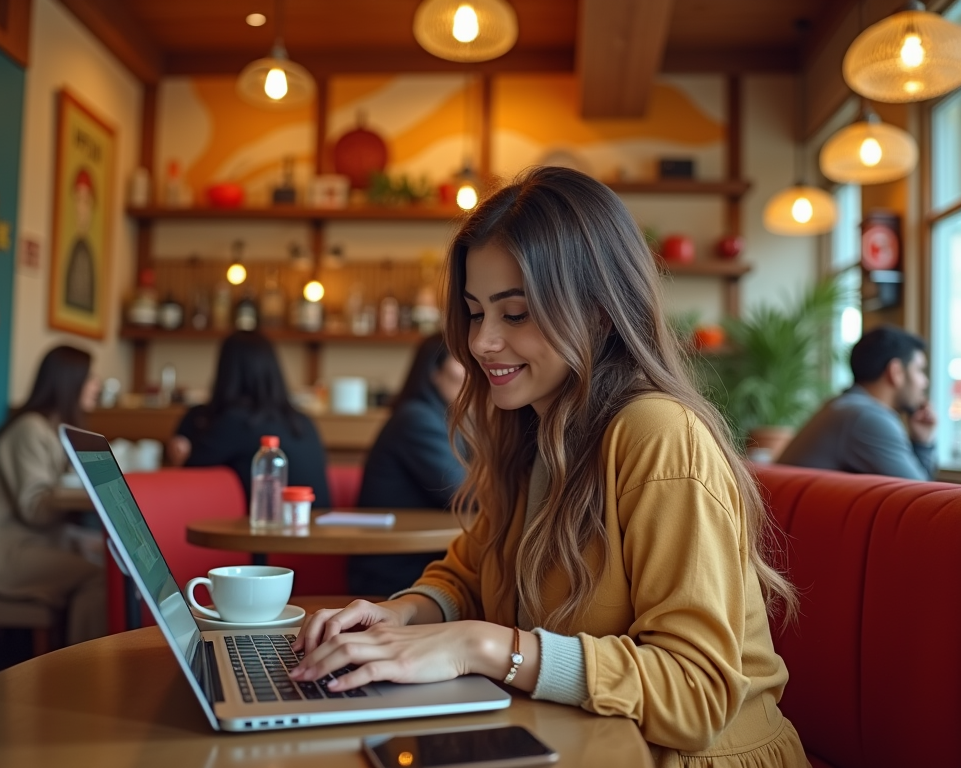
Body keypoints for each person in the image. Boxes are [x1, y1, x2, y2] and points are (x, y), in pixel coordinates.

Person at [289, 167, 808, 766]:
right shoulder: (532, 428)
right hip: (574, 741)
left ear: (600, 310)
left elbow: (696, 695)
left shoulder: (657, 435)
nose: (482, 342)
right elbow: (468, 572)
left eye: (515, 314)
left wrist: (486, 645)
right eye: (475, 311)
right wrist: (396, 615)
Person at [0, 345, 106, 645]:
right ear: (68, 382)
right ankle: (85, 669)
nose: (97, 384)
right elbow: (34, 509)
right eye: (90, 377)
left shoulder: (52, 430)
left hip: (35, 542)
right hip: (9, 555)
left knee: (110, 560)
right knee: (102, 577)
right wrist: (82, 489)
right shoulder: (30, 430)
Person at [348, 333, 467, 597]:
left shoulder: (448, 419)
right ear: (433, 372)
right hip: (396, 570)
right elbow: (465, 493)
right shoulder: (417, 419)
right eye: (462, 361)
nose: (473, 372)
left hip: (424, 562)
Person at [168, 330, 330, 506]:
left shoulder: (237, 422)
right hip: (319, 528)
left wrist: (179, 458)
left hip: (273, 530)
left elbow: (190, 474)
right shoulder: (304, 422)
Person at [778, 326, 937, 480]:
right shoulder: (868, 417)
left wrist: (921, 440)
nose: (925, 382)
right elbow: (921, 499)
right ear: (896, 372)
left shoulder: (843, 406)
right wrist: (924, 446)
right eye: (919, 370)